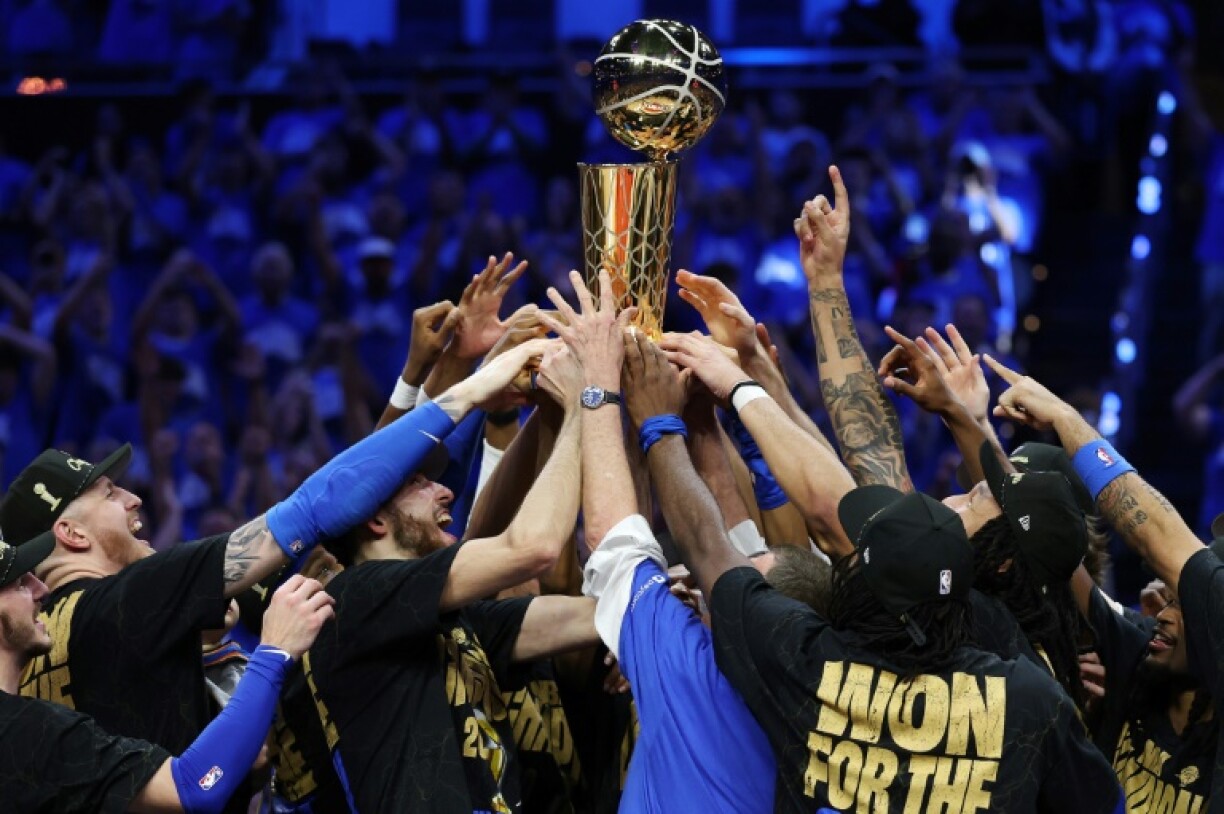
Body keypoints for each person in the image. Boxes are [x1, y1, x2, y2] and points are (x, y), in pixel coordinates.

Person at [0, 312, 547, 765]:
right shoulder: (127, 599)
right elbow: (318, 508)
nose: (134, 499)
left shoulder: (30, 653)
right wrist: (474, 386)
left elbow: (350, 519)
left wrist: (425, 376)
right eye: (109, 493)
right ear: (69, 533)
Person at [647, 326, 1122, 811]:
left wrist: (738, 388)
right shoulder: (1033, 680)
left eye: (974, 499)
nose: (949, 499)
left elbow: (829, 506)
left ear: (997, 562)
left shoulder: (815, 657)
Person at [276, 330, 601, 812]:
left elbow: (589, 616)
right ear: (375, 518)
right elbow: (532, 548)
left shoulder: (445, 618)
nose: (446, 492)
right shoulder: (354, 598)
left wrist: (668, 600)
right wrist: (585, 403)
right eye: (419, 483)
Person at [984, 354, 1224, 807]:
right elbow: (1037, 533)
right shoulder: (1135, 655)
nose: (1164, 615)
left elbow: (1155, 534)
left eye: (1190, 600)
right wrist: (966, 418)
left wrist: (1065, 418)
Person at [0, 526, 334, 813]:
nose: (41, 590)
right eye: (18, 584)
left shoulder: (34, 727)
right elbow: (196, 786)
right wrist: (274, 651)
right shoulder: (28, 729)